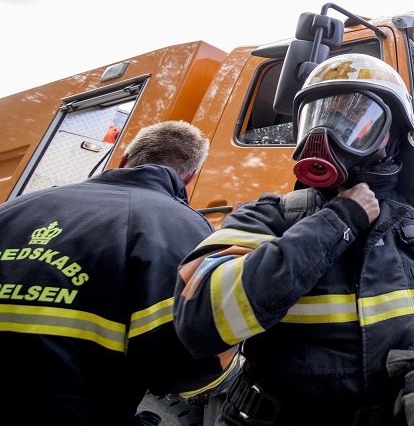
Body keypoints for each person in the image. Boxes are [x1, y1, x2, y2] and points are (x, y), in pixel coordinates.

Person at [172, 54, 414, 425]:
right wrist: (336, 221)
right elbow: (198, 323)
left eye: (354, 116)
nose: (328, 132)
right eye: (319, 116)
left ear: (394, 134)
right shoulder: (271, 217)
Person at [0, 120, 238, 425]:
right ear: (190, 176)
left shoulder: (16, 207)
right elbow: (180, 364)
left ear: (125, 160)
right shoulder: (180, 227)